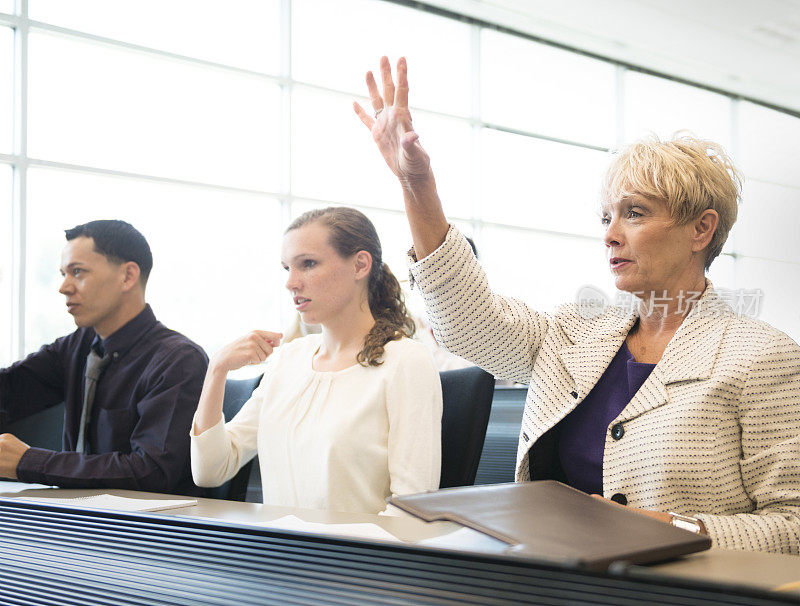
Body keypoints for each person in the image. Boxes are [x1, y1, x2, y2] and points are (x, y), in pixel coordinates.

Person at [354, 57, 800, 553]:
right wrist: (416, 183)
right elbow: (467, 322)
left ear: (702, 229)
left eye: (635, 213)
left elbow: (794, 525)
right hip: (556, 577)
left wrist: (669, 526)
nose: (610, 235)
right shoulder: (574, 331)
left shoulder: (763, 357)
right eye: (606, 216)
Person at [190, 206, 442, 514]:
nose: (291, 283)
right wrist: (217, 370)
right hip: (280, 555)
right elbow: (211, 470)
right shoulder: (288, 361)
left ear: (360, 265)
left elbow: (411, 508)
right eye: (287, 269)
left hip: (356, 559)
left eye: (307, 264)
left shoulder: (405, 361)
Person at [0, 220, 208, 495]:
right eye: (63, 273)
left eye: (77, 272)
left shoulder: (179, 360)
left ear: (127, 276)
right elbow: (10, 391)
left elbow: (151, 472)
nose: (64, 287)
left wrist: (29, 462)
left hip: (152, 531)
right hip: (80, 521)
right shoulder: (78, 345)